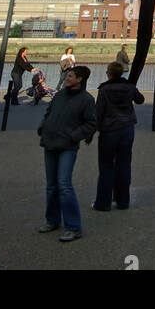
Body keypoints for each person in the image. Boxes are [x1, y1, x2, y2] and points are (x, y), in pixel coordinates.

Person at [37, 65, 96, 242]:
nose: (67, 78)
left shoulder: (86, 99)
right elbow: (49, 112)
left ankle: (73, 226)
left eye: (70, 76)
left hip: (67, 145)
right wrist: (43, 127)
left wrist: (74, 136)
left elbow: (91, 123)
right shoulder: (60, 95)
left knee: (64, 185)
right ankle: (52, 220)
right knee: (51, 185)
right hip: (50, 141)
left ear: (80, 79)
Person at [93, 61, 145, 211]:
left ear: (109, 73)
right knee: (124, 164)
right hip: (127, 127)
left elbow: (99, 111)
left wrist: (92, 131)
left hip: (109, 129)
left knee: (106, 166)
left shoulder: (104, 89)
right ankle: (123, 201)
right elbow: (140, 100)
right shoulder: (129, 87)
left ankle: (103, 202)